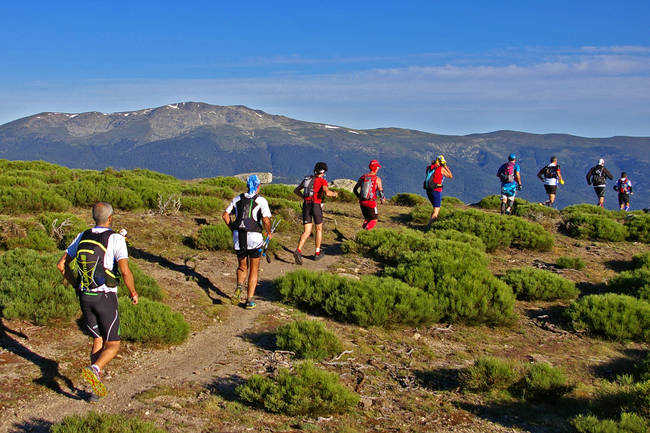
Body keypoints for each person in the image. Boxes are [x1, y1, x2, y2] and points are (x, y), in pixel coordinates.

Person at [56, 202, 138, 402]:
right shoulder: (116, 239)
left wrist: (76, 285)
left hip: (85, 296)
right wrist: (133, 292)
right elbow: (125, 271)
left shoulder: (82, 235)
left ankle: (94, 389)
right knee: (113, 344)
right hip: (106, 296)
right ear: (110, 218)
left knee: (97, 340)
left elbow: (61, 265)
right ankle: (95, 369)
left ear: (94, 217)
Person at [222, 175, 272, 309]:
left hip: (239, 237)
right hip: (255, 238)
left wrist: (232, 228)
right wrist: (269, 232)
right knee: (254, 270)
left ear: (247, 186)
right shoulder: (261, 200)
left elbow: (225, 215)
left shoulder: (237, 198)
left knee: (242, 266)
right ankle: (249, 300)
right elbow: (266, 220)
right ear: (258, 187)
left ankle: (239, 287)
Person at [293, 162, 338, 264]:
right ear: (323, 172)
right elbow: (327, 193)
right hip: (316, 206)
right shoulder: (322, 181)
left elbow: (296, 190)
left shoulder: (307, 179)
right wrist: (335, 194)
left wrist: (304, 197)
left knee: (307, 231)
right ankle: (317, 253)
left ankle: (298, 250)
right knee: (318, 229)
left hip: (306, 205)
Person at [353, 160, 385, 230]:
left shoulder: (362, 177)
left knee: (367, 219)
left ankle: (362, 232)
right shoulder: (377, 179)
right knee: (374, 220)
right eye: (378, 167)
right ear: (376, 168)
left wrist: (359, 197)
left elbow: (355, 189)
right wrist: (382, 199)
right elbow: (380, 190)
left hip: (362, 202)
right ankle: (365, 231)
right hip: (371, 202)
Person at [423, 155, 453, 225]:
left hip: (428, 190)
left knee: (434, 208)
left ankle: (429, 224)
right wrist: (445, 166)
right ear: (441, 162)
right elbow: (450, 176)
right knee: (436, 211)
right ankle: (429, 227)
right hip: (436, 191)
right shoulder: (441, 169)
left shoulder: (428, 168)